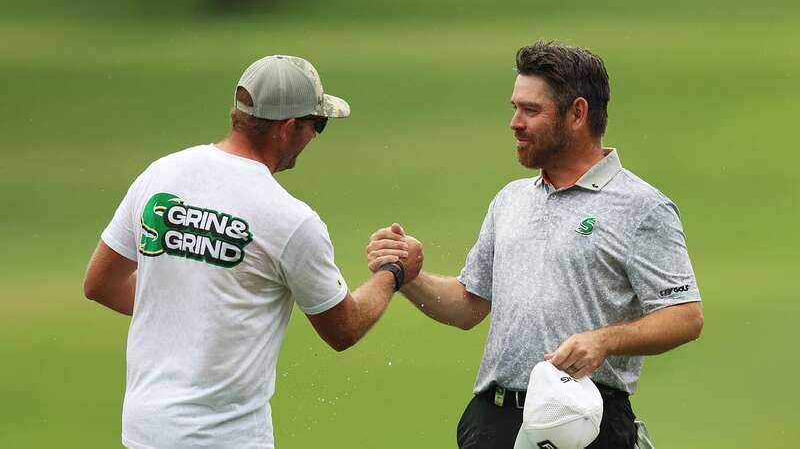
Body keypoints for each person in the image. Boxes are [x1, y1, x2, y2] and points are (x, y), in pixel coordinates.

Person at [366, 41, 704, 449]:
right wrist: (408, 276)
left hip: (585, 422)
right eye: (515, 107)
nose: (514, 122)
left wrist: (603, 341)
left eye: (531, 110)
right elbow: (469, 305)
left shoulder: (642, 207)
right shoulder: (511, 199)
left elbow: (685, 315)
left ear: (577, 113)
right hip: (493, 421)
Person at [83, 54, 421, 449]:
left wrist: (189, 308)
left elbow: (100, 284)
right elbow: (344, 329)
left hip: (144, 432)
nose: (315, 136)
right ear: (288, 128)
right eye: (318, 124)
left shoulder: (161, 174)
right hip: (226, 438)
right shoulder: (291, 220)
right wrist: (394, 272)